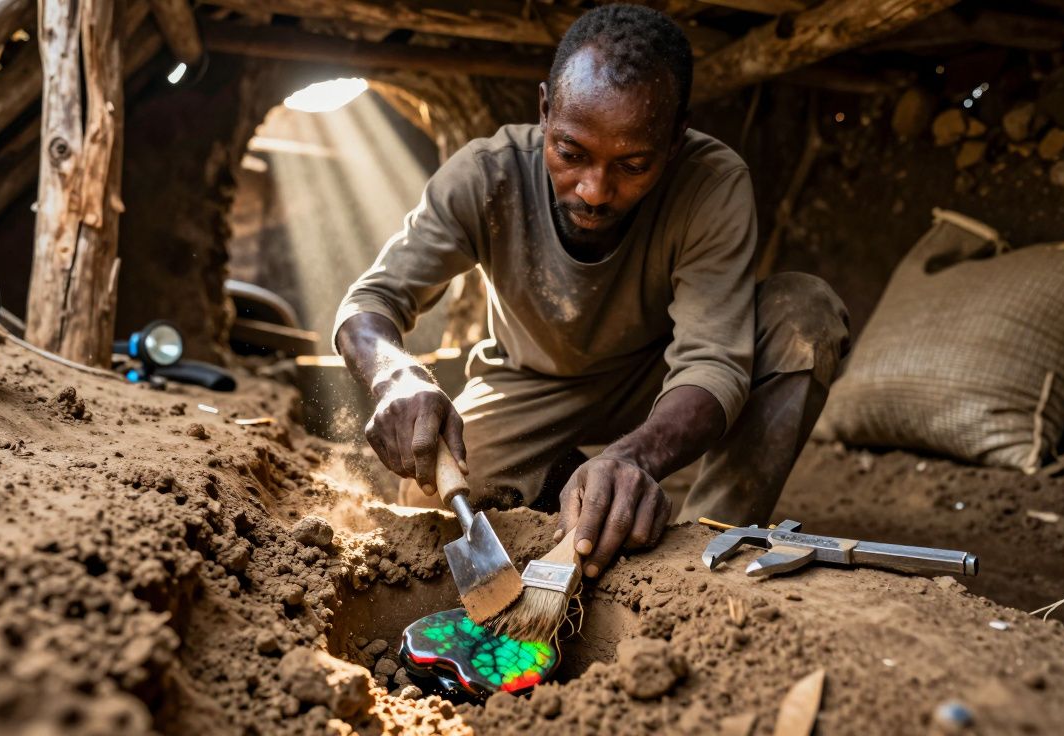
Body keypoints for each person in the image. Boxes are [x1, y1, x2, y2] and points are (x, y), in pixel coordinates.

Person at [333, 4, 849, 579]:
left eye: (632, 164)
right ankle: (570, 481)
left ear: (675, 141)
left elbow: (712, 364)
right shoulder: (486, 175)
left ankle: (706, 557)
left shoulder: (712, 184)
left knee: (803, 315)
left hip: (656, 380)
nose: (595, 190)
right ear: (545, 111)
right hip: (531, 386)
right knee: (433, 504)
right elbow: (371, 301)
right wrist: (394, 375)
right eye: (571, 153)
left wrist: (634, 455)